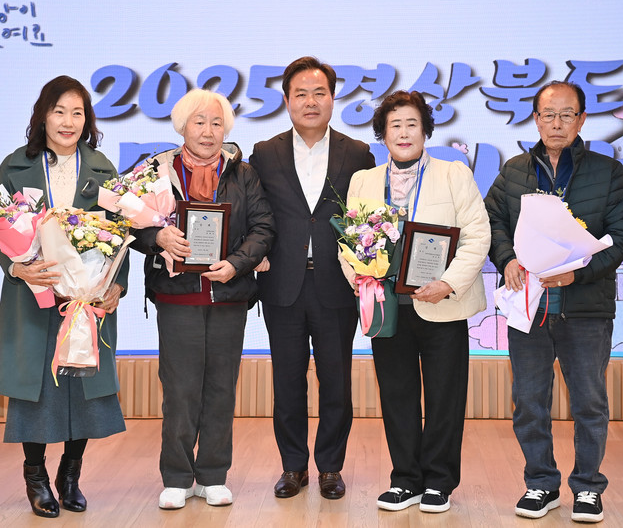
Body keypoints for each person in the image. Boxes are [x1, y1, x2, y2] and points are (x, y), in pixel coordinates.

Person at [484, 81, 623, 523]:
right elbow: (492, 221)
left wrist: (580, 273)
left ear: (582, 119)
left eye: (567, 114)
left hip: (586, 308)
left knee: (589, 402)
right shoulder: (514, 170)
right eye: (548, 115)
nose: (557, 123)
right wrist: (506, 259)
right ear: (535, 119)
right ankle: (541, 484)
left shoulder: (608, 172)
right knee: (528, 401)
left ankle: (588, 487)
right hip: (529, 307)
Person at [344, 90, 490, 513]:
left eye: (412, 123)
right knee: (396, 395)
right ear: (382, 134)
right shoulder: (364, 181)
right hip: (388, 307)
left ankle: (439, 481)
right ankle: (405, 479)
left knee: (445, 397)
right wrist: (360, 278)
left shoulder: (453, 173)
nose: (404, 132)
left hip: (442, 302)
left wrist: (447, 283)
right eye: (395, 125)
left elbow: (477, 235)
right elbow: (348, 243)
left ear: (426, 130)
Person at [0, 75, 129, 518]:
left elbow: (121, 234)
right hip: (33, 295)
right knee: (34, 387)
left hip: (85, 299)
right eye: (59, 111)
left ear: (87, 120)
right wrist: (17, 267)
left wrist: (116, 286)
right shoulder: (16, 166)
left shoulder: (103, 169)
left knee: (79, 382)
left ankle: (70, 475)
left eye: (77, 113)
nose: (68, 122)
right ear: (43, 116)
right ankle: (35, 476)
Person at [130, 89, 275, 510]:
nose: (208, 131)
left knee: (221, 389)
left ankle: (213, 475)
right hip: (177, 297)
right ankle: (177, 476)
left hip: (229, 295)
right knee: (179, 389)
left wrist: (237, 264)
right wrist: (156, 236)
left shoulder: (244, 174)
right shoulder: (156, 170)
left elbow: (263, 227)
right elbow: (125, 221)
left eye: (216, 123)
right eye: (199, 122)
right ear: (182, 127)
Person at [248, 56, 375, 500]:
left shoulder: (357, 153)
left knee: (336, 382)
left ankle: (331, 468)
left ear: (333, 99)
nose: (310, 101)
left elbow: (367, 217)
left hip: (336, 284)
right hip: (281, 284)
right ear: (286, 100)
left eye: (319, 93)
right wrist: (252, 254)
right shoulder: (265, 153)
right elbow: (254, 213)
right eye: (300, 93)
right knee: (288, 382)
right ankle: (293, 467)